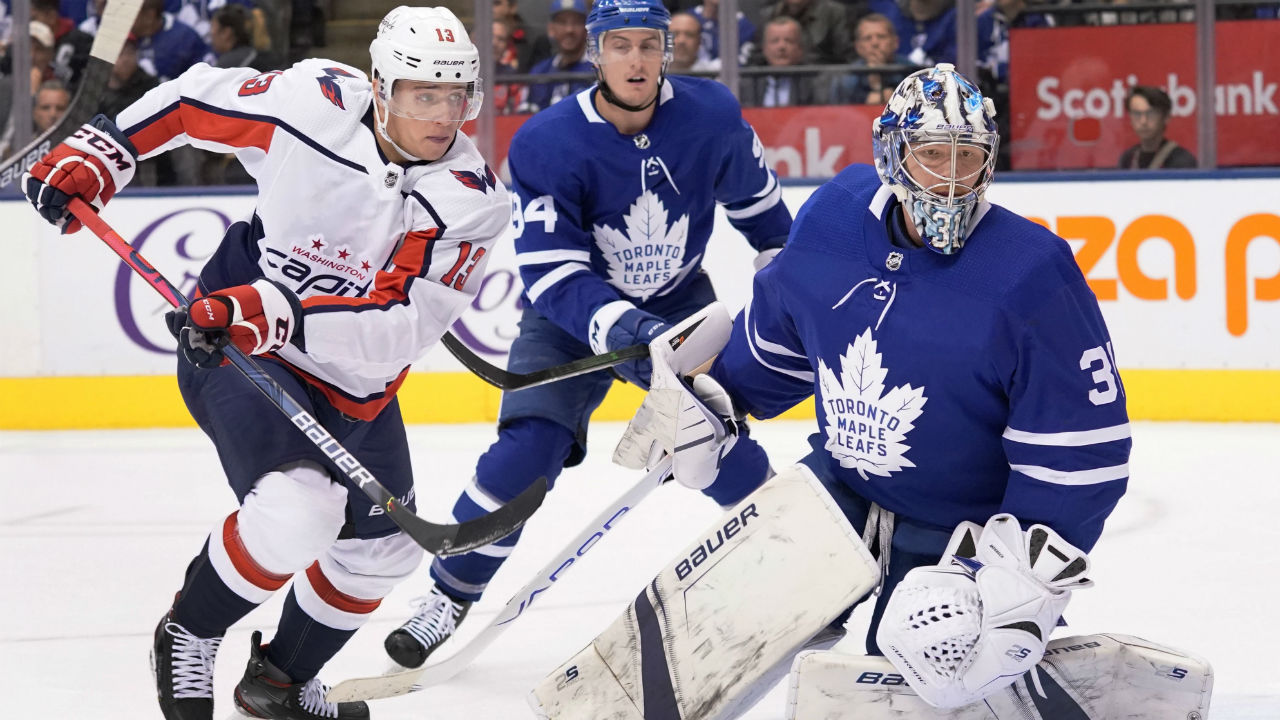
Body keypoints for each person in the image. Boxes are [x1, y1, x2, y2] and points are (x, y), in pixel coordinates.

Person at [21, 6, 509, 720]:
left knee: (384, 554)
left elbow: (397, 330)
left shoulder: (469, 203)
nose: (441, 116)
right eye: (420, 94)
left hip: (351, 383)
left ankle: (276, 681)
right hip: (233, 346)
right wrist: (103, 153)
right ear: (380, 87)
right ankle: (191, 629)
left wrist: (278, 308)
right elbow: (194, 98)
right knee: (297, 512)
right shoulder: (312, 102)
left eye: (455, 96)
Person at [617, 62, 1130, 711]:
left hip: (959, 529)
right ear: (893, 153)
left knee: (920, 675)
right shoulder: (835, 218)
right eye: (931, 154)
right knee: (723, 619)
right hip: (839, 492)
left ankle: (1007, 688)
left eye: (966, 157)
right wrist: (711, 402)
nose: (949, 179)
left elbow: (1080, 451)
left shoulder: (1030, 273)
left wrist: (1016, 583)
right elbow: (776, 346)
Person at [383, 0, 792, 670]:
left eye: (650, 45)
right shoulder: (548, 142)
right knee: (524, 455)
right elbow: (553, 276)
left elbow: (769, 222)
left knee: (715, 440)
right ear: (596, 53)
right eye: (620, 45)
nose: (637, 60)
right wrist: (638, 332)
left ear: (667, 51)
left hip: (678, 304)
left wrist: (802, 292)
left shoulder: (712, 113)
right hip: (572, 320)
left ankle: (798, 565)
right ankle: (447, 594)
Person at [519, 0, 592, 113]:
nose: (569, 29)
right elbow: (524, 117)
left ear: (587, 29)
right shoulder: (539, 72)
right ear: (551, 29)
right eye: (562, 22)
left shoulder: (599, 71)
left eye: (577, 22)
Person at [829, 12, 911, 105]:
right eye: (867, 38)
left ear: (895, 42)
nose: (875, 43)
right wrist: (864, 99)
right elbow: (838, 114)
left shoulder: (912, 73)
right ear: (858, 47)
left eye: (881, 36)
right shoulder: (844, 79)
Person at [740, 16, 821, 107]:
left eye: (789, 41)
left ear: (800, 49)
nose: (781, 47)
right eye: (775, 41)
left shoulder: (816, 85)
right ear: (764, 48)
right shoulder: (749, 85)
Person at [1118, 85, 1197, 170]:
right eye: (1137, 114)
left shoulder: (1182, 161)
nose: (1143, 121)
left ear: (1166, 117)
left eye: (1151, 113)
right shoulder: (1127, 159)